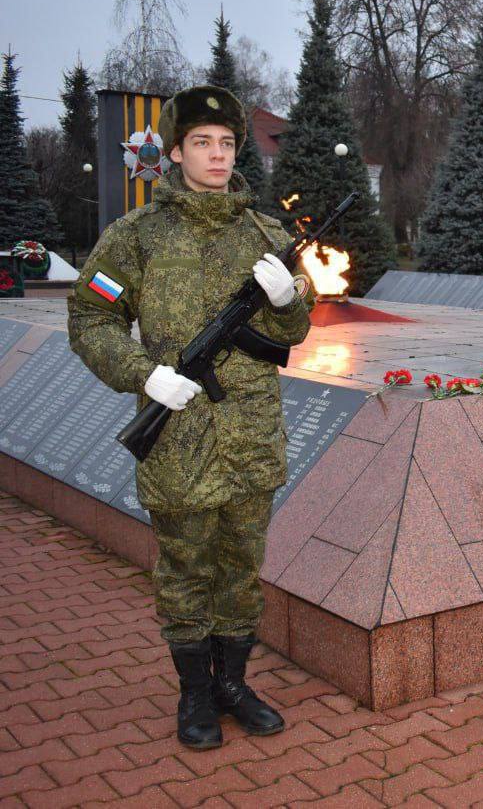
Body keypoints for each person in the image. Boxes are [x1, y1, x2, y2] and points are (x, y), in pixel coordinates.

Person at [67, 85, 315, 750]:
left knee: (240, 569)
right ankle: (195, 693)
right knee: (184, 571)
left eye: (228, 143)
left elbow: (295, 328)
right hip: (178, 439)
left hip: (251, 437)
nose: (217, 155)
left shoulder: (265, 233)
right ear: (175, 152)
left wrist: (289, 299)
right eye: (202, 143)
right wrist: (144, 374)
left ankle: (233, 683)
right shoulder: (135, 238)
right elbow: (91, 318)